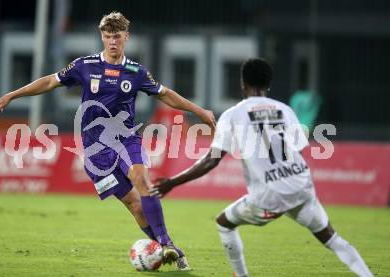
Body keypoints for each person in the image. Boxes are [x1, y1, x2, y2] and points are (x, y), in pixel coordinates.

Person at [0, 11, 216, 270]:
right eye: (108, 36)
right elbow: (49, 82)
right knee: (135, 206)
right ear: (102, 36)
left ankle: (165, 243)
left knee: (141, 178)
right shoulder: (84, 66)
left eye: (117, 36)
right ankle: (173, 250)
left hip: (127, 139)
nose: (112, 41)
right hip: (96, 151)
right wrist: (13, 94)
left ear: (126, 37)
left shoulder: (136, 72)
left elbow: (167, 95)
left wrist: (200, 111)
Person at [151, 58, 374, 276]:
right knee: (332, 238)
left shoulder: (233, 115)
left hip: (270, 195)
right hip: (302, 185)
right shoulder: (285, 110)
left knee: (224, 223)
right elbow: (298, 148)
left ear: (242, 83)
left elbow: (212, 160)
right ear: (268, 85)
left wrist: (173, 182)